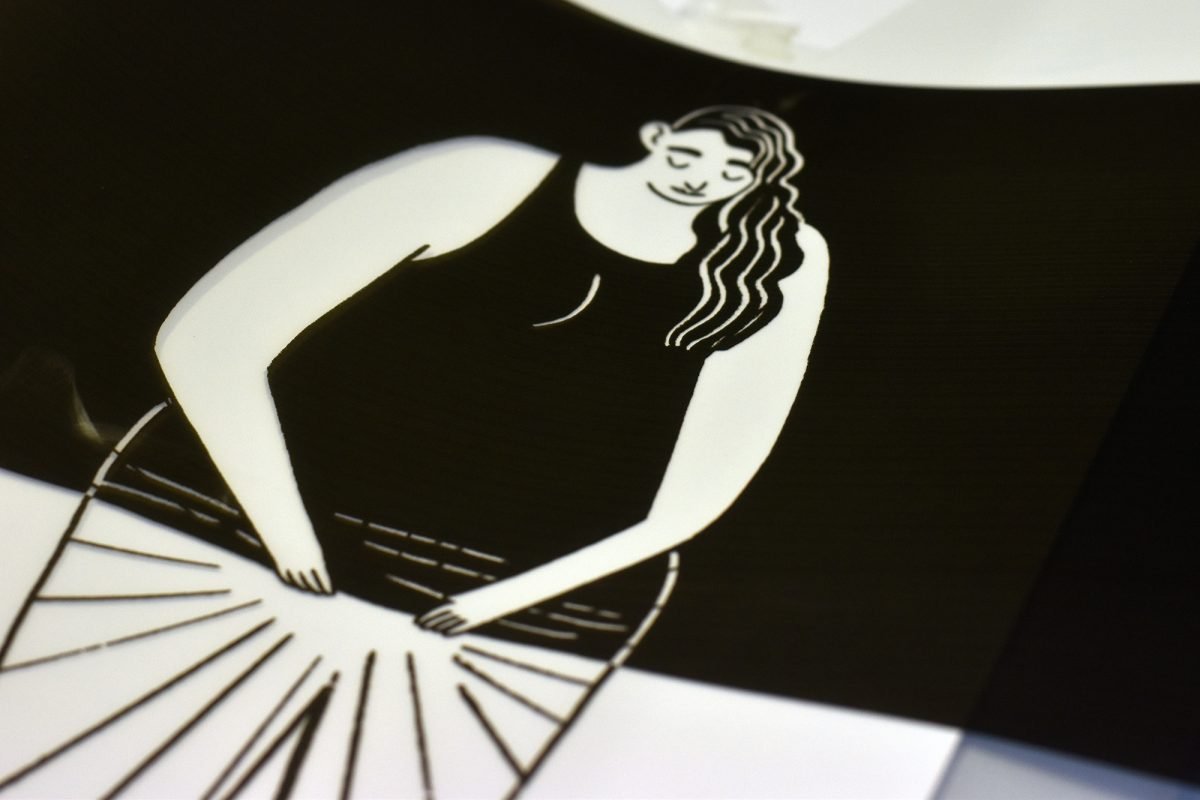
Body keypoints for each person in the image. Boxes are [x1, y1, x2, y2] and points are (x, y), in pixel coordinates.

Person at [0, 106, 828, 797]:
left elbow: (696, 496)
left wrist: (501, 603)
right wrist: (287, 537)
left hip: (519, 605)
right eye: (688, 156)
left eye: (732, 173)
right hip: (219, 519)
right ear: (654, 134)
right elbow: (210, 339)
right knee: (81, 748)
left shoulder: (774, 261)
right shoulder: (487, 175)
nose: (700, 180)